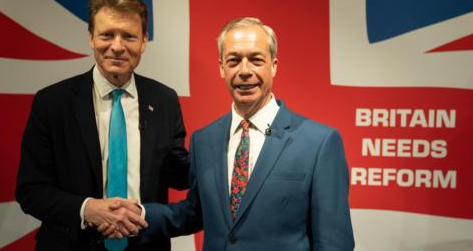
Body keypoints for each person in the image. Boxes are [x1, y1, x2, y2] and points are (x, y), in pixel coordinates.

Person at [105, 17, 355, 250]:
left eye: (256, 60)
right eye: (234, 60)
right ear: (222, 68)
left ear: (274, 66)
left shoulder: (320, 142)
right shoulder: (204, 140)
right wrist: (138, 215)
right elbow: (196, 212)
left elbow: (334, 242)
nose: (244, 71)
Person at [15, 0, 190, 251]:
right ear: (91, 38)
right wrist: (88, 209)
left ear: (143, 41)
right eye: (107, 35)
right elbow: (31, 191)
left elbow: (178, 173)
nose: (117, 47)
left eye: (129, 36)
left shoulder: (164, 100)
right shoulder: (52, 103)